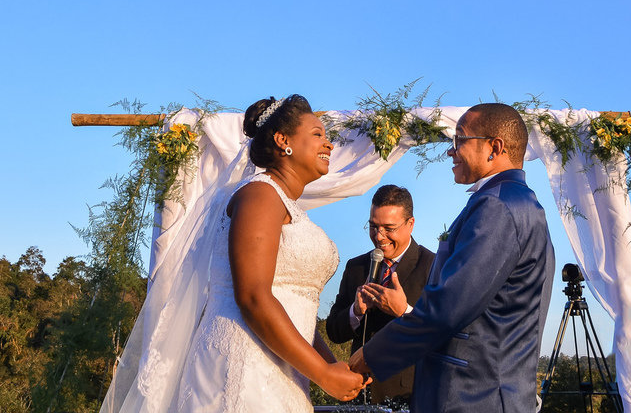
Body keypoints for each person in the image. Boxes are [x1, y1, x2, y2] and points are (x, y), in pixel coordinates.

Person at [350, 103, 555, 413]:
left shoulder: (497, 208)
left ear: (493, 147)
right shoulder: (521, 204)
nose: (451, 151)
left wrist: (371, 356)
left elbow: (447, 309)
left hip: (474, 396)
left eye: (460, 139)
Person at [176, 95, 370, 412]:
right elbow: (253, 296)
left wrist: (332, 366)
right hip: (245, 366)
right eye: (318, 134)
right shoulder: (260, 195)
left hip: (282, 369)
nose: (329, 144)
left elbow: (297, 309)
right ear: (283, 140)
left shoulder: (286, 205)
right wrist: (323, 374)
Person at [325, 185, 435, 407]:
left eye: (389, 228)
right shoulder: (356, 267)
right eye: (373, 226)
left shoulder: (433, 266)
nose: (379, 236)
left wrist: (404, 311)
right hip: (358, 398)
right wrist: (355, 312)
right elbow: (333, 332)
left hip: (408, 398)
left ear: (410, 224)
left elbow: (442, 333)